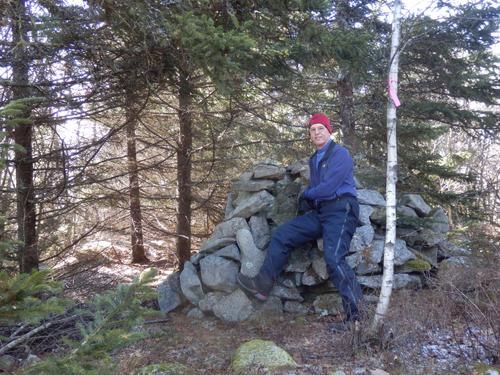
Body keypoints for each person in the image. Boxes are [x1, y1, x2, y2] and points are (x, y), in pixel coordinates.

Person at [237, 113, 363, 332]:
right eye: (313, 130)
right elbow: (318, 193)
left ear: (329, 130)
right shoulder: (314, 159)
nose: (316, 133)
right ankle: (262, 285)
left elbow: (328, 187)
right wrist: (309, 200)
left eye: (320, 129)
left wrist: (307, 194)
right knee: (283, 234)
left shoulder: (341, 153)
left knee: (334, 258)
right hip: (322, 212)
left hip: (342, 209)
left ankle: (357, 319)